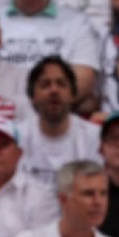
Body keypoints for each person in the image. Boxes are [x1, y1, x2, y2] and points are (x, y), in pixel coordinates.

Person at [0, 0, 101, 102]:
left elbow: (84, 79)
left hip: (53, 111)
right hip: (0, 110)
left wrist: (41, 105)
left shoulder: (77, 23)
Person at [17, 57, 101, 190]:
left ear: (73, 94)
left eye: (61, 84)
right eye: (45, 84)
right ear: (32, 97)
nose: (54, 90)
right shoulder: (16, 137)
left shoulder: (94, 137)